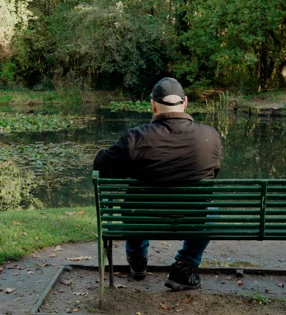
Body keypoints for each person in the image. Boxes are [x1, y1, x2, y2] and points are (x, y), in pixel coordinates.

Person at [93, 77, 222, 290]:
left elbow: (103, 168)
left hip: (145, 217)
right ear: (186, 102)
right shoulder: (210, 136)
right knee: (211, 210)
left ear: (153, 105)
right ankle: (184, 266)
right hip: (192, 215)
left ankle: (137, 260)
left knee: (133, 205)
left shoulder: (136, 138)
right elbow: (213, 173)